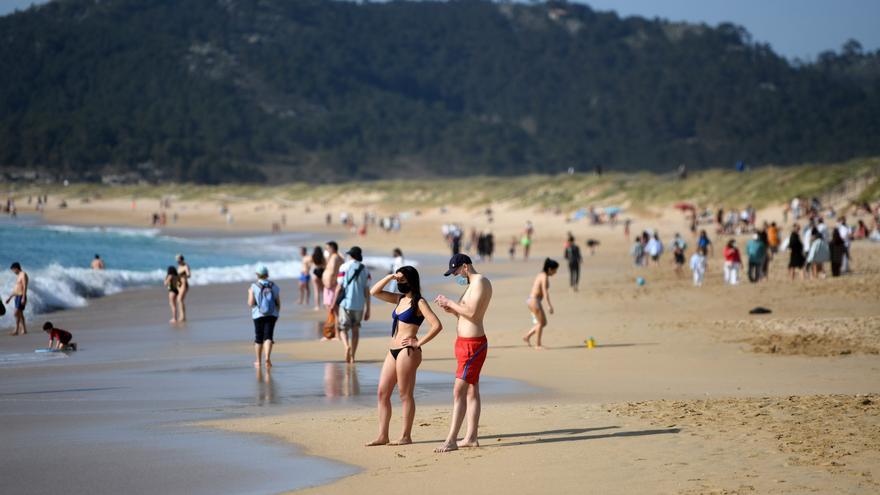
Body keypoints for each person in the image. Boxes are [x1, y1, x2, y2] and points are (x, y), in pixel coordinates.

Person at [366, 266, 443, 446]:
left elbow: (436, 325)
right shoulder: (399, 299)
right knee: (382, 393)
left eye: (402, 280)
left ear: (411, 281)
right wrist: (389, 277)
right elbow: (373, 291)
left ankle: (406, 436)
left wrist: (418, 342)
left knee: (404, 394)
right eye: (398, 280)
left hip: (408, 351)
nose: (399, 283)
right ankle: (382, 435)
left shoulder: (419, 302)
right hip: (392, 351)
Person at [434, 254, 493, 453]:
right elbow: (465, 313)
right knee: (470, 390)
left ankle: (451, 440)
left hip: (473, 345)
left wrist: (450, 303)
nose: (455, 276)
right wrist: (450, 309)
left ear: (465, 267)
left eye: (456, 271)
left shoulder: (480, 282)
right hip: (464, 343)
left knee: (458, 391)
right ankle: (471, 437)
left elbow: (474, 314)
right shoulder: (471, 285)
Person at [333, 246, 371, 363]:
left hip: (346, 303)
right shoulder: (365, 270)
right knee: (355, 330)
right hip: (359, 305)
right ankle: (353, 356)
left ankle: (346, 346)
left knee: (343, 329)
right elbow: (366, 290)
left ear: (351, 255)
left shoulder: (344, 267)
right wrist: (368, 309)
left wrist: (334, 302)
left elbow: (339, 286)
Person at [248, 266, 281, 368]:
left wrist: (250, 293)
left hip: (258, 315)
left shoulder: (253, 287)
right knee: (268, 337)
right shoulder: (274, 286)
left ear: (257, 275)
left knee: (259, 337)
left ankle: (258, 361)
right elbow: (278, 303)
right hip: (272, 314)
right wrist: (277, 314)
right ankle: (267, 358)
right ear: (267, 274)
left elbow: (250, 303)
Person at [523, 258, 558, 349]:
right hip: (534, 300)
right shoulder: (544, 277)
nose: (555, 272)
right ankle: (538, 345)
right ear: (550, 269)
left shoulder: (540, 274)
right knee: (540, 323)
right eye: (555, 270)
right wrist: (549, 306)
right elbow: (545, 292)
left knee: (543, 322)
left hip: (531, 300)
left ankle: (527, 336)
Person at [6, 262, 29, 335]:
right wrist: (10, 297)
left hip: (21, 296)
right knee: (20, 313)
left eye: (13, 270)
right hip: (17, 296)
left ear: (16, 268)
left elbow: (25, 286)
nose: (13, 272)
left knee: (16, 313)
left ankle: (16, 330)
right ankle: (24, 329)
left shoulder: (23, 274)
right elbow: (17, 288)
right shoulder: (19, 275)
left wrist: (23, 297)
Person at [322, 241, 344, 309]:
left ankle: (334, 320)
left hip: (331, 285)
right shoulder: (335, 257)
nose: (326, 250)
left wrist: (329, 283)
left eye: (327, 248)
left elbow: (333, 271)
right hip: (331, 285)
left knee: (332, 307)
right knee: (331, 307)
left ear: (332, 248)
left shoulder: (335, 257)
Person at [176, 254, 191, 322]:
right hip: (179, 284)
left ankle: (183, 317)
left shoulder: (186, 266)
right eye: (177, 260)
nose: (177, 261)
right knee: (179, 300)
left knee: (179, 299)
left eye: (178, 260)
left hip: (184, 284)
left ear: (181, 259)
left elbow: (189, 275)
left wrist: (184, 276)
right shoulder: (179, 267)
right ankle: (181, 316)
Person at [311, 246, 326, 311]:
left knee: (316, 291)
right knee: (323, 291)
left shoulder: (312, 256)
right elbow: (325, 265)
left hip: (315, 272)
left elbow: (311, 265)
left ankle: (317, 306)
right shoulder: (323, 257)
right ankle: (324, 305)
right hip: (322, 272)